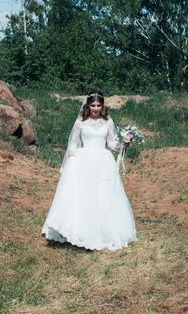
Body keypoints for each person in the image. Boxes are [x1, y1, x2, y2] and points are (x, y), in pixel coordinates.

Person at [41, 91, 137, 251]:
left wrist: (124, 144)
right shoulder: (80, 122)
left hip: (103, 160)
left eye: (99, 105)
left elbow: (112, 143)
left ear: (102, 106)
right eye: (93, 105)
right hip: (84, 160)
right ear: (88, 105)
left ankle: (103, 232)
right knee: (84, 195)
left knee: (103, 194)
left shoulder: (108, 122)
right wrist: (72, 155)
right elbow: (74, 142)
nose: (96, 108)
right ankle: (78, 230)